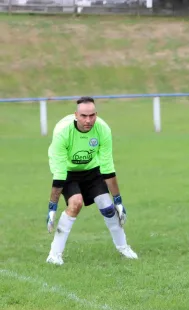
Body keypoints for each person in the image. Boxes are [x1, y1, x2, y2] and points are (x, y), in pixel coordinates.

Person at [46, 97, 138, 265]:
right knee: (75, 203)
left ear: (96, 114)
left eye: (91, 115)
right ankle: (54, 254)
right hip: (68, 171)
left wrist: (118, 200)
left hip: (91, 170)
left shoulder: (103, 130)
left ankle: (123, 247)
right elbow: (59, 173)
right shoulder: (62, 132)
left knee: (107, 206)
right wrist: (52, 206)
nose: (88, 120)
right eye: (83, 116)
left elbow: (107, 167)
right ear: (76, 115)